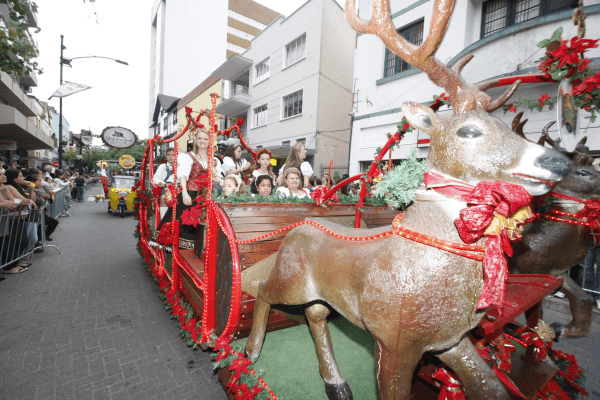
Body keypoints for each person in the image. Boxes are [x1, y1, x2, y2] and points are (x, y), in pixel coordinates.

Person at [155, 128, 222, 250]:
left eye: (205, 139)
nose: (202, 141)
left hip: (206, 196)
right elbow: (183, 177)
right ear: (196, 140)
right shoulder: (189, 157)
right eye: (200, 138)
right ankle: (180, 251)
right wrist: (185, 193)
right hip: (190, 193)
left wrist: (220, 180)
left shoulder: (214, 159)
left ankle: (196, 249)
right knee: (186, 222)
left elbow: (214, 176)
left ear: (210, 142)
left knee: (201, 223)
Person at [152, 148, 177, 218]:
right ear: (166, 156)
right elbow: (155, 179)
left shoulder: (180, 166)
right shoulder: (162, 166)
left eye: (173, 155)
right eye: (168, 155)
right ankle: (164, 219)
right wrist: (164, 184)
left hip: (178, 186)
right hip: (167, 186)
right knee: (163, 198)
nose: (171, 157)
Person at [578, 239, 600, 309]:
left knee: (587, 268)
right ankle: (587, 294)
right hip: (590, 239)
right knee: (586, 267)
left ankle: (597, 296)